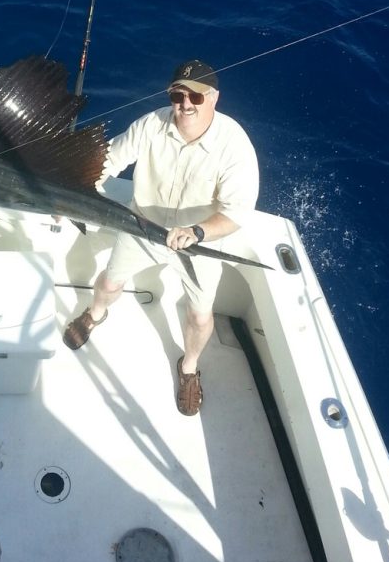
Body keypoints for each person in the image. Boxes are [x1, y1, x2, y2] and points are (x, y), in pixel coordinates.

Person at [62, 59, 259, 417]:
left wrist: (197, 231)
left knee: (200, 317)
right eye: (177, 95)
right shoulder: (151, 125)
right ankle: (95, 314)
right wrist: (74, 189)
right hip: (143, 226)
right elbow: (109, 159)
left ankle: (189, 368)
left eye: (195, 98)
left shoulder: (235, 146)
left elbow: (236, 213)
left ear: (214, 98)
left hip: (199, 244)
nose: (185, 104)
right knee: (108, 282)